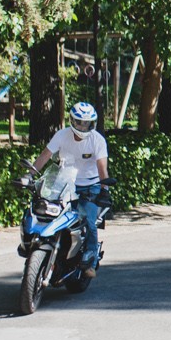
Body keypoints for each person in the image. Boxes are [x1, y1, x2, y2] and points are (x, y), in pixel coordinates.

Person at [23, 101, 110, 278]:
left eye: (88, 123)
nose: (84, 126)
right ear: (72, 121)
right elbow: (45, 156)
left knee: (89, 220)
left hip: (90, 186)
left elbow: (102, 168)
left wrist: (104, 189)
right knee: (45, 212)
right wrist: (30, 175)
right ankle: (30, 242)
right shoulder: (62, 135)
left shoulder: (97, 140)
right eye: (80, 122)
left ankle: (90, 259)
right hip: (64, 182)